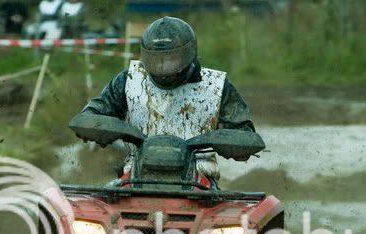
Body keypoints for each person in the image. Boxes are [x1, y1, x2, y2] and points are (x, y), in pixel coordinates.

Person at [75, 16, 254, 185]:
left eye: (171, 60)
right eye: (156, 61)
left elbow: (244, 134)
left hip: (199, 182)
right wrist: (96, 128)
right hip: (135, 177)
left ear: (189, 53)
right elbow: (91, 114)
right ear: (145, 56)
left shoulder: (215, 85)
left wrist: (234, 144)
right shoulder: (129, 80)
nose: (163, 68)